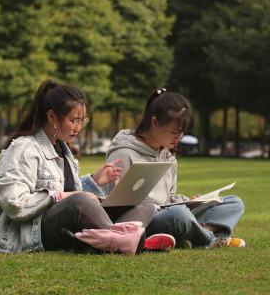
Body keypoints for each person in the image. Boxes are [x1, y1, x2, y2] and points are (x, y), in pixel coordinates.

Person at [0, 80, 174, 254]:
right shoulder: (24, 148)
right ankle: (130, 241)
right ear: (52, 117)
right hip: (29, 232)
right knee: (80, 201)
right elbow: (14, 204)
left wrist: (93, 181)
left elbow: (69, 194)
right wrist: (61, 196)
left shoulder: (64, 150)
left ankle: (110, 240)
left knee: (142, 201)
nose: (79, 127)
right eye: (74, 120)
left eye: (82, 121)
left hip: (63, 222)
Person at [99, 88, 246, 249]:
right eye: (174, 132)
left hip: (168, 213)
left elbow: (168, 198)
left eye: (182, 133)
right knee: (179, 216)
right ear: (154, 122)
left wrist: (192, 201)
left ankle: (196, 233)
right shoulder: (124, 153)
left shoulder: (168, 155)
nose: (178, 138)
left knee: (233, 202)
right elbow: (113, 204)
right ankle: (208, 238)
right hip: (142, 221)